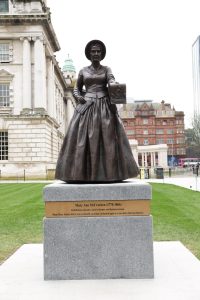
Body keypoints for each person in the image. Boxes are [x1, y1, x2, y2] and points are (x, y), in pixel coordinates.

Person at [55, 40, 139, 182]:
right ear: (89, 54)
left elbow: (111, 80)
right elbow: (76, 88)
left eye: (98, 51)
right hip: (87, 106)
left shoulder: (107, 69)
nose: (95, 53)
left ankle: (111, 174)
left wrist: (113, 84)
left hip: (104, 106)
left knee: (108, 140)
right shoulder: (83, 71)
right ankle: (79, 173)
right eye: (93, 51)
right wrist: (78, 97)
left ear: (102, 54)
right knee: (82, 140)